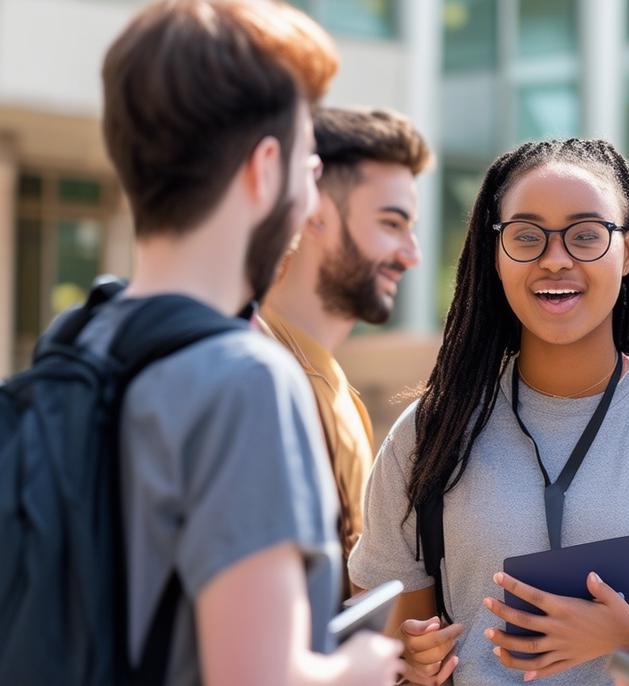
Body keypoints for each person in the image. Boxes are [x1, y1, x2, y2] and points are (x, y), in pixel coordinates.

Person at [348, 138, 629, 685]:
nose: (555, 259)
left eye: (586, 235)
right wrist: (410, 663)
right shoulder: (429, 434)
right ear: (494, 253)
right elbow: (386, 649)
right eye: (526, 236)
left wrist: (628, 640)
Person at [80, 1, 407, 683]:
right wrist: (362, 667)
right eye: (308, 162)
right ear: (264, 168)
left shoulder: (77, 345)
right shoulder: (246, 381)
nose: (312, 187)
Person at [259, 106, 432, 599]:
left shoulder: (330, 383)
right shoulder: (254, 374)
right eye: (391, 223)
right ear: (313, 212)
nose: (412, 254)